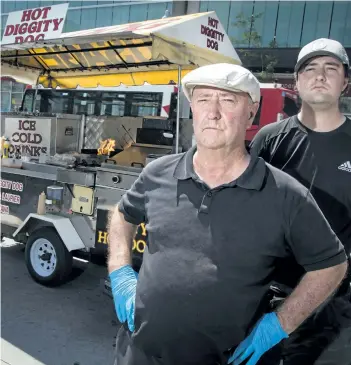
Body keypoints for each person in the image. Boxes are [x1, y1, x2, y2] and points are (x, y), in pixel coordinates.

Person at [107, 63, 348, 365]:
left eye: (228, 100)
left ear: (251, 112)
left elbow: (332, 266)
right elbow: (122, 214)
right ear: (193, 108)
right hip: (138, 355)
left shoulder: (285, 193)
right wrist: (120, 272)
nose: (213, 112)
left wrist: (279, 324)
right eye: (204, 99)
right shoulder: (158, 173)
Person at [250, 38, 351, 365]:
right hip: (270, 291)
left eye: (330, 69)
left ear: (345, 83)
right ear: (296, 81)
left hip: (335, 303)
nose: (320, 76)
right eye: (310, 69)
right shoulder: (270, 138)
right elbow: (244, 208)